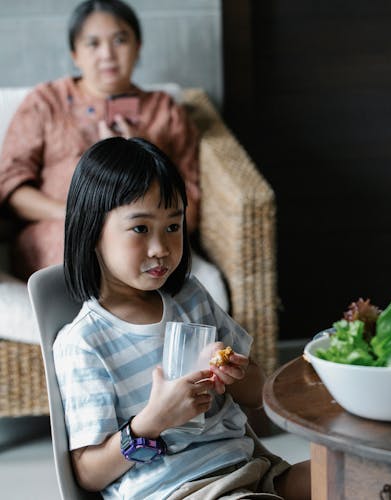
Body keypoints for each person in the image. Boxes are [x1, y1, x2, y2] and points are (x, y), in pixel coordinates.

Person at [54, 137, 310, 500]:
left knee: (351, 476)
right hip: (177, 491)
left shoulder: (190, 297)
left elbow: (257, 394)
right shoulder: (84, 342)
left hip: (250, 470)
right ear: (92, 231)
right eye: (140, 229)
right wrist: (153, 421)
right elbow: (88, 473)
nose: (161, 248)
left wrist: (234, 373)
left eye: (173, 227)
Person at [0, 0, 227, 309]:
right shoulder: (46, 102)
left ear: (138, 46)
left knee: (133, 245)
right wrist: (75, 214)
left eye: (120, 40)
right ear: (75, 54)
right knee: (78, 248)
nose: (107, 54)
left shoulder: (163, 109)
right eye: (93, 43)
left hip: (144, 230)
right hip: (58, 227)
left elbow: (188, 201)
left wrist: (138, 154)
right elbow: (11, 184)